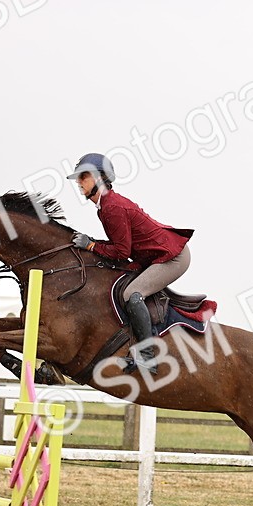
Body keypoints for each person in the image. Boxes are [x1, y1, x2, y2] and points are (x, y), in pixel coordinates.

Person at [66, 153, 193, 374]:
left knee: (132, 294)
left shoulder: (112, 207)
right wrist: (93, 245)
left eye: (83, 176)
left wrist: (91, 246)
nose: (79, 182)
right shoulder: (106, 205)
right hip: (155, 256)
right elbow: (120, 247)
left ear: (98, 178)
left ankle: (147, 357)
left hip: (173, 257)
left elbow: (121, 252)